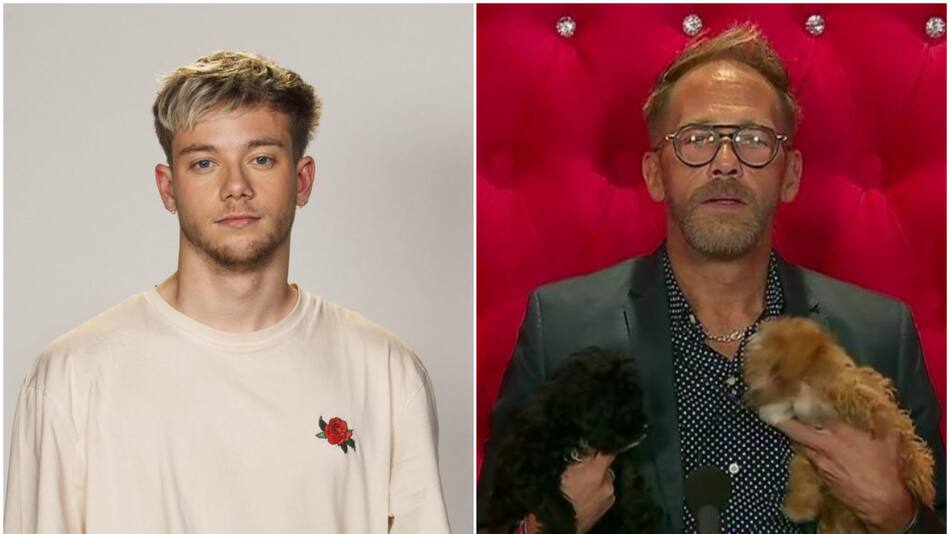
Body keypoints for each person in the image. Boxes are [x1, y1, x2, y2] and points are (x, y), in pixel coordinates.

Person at [477, 23, 946, 534]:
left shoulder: (880, 334)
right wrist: (551, 526)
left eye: (753, 139)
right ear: (656, 175)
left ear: (789, 176)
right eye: (696, 139)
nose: (726, 163)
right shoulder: (561, 327)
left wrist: (900, 515)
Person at [5, 51, 450, 534]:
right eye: (203, 163)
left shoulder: (385, 373)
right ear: (168, 187)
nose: (235, 187)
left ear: (301, 180)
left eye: (261, 159)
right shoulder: (71, 377)